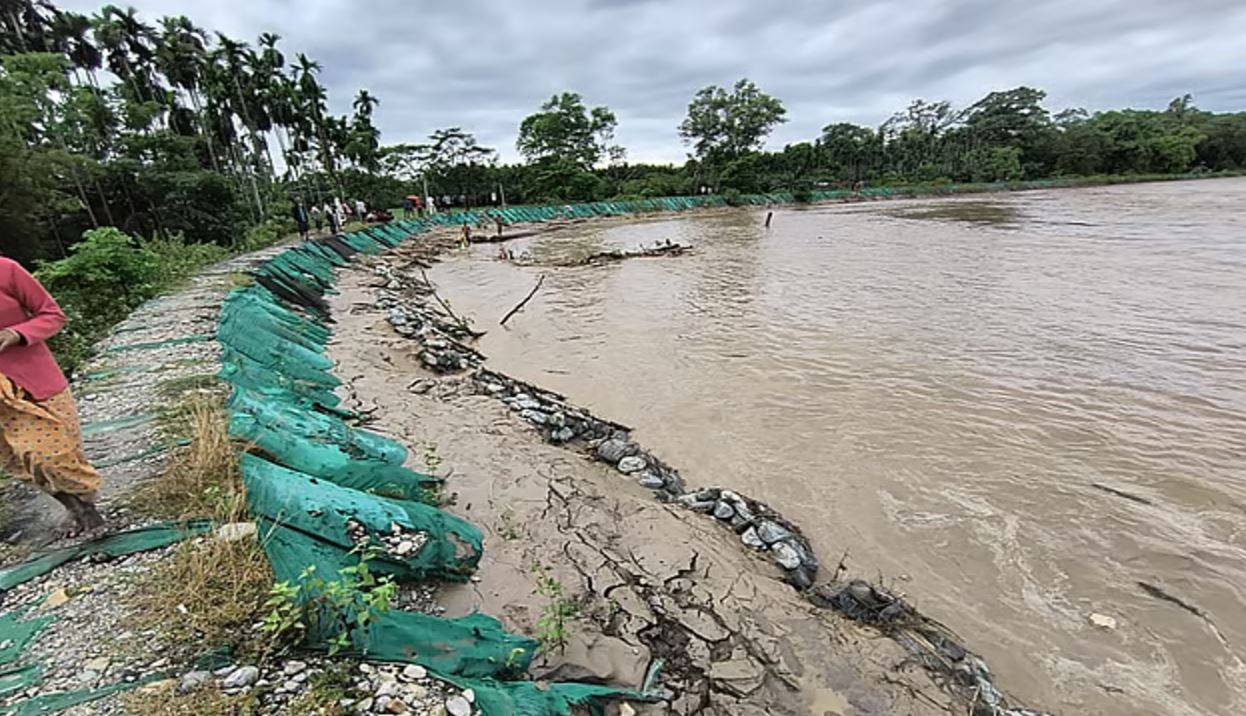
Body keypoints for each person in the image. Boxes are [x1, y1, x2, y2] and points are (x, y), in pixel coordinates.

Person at [0, 257, 105, 536]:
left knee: (56, 454)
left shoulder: (6, 270)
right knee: (21, 462)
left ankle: (87, 505)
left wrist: (17, 333)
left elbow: (52, 314)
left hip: (35, 380)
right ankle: (77, 509)